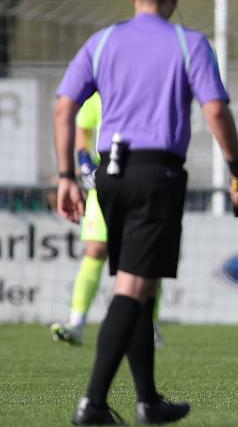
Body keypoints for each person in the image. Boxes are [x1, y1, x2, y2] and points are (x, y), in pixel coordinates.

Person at [54, 0, 238, 426]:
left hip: (109, 175)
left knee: (137, 284)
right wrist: (237, 167)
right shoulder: (189, 43)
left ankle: (147, 402)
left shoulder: (102, 43)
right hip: (155, 174)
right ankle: (93, 404)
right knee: (133, 285)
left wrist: (64, 176)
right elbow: (216, 111)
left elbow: (64, 109)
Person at [50, 92, 164, 348]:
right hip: (105, 183)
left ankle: (150, 325)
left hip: (140, 177)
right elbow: (83, 132)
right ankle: (77, 322)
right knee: (95, 249)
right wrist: (85, 163)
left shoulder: (144, 93)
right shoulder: (95, 98)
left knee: (145, 256)